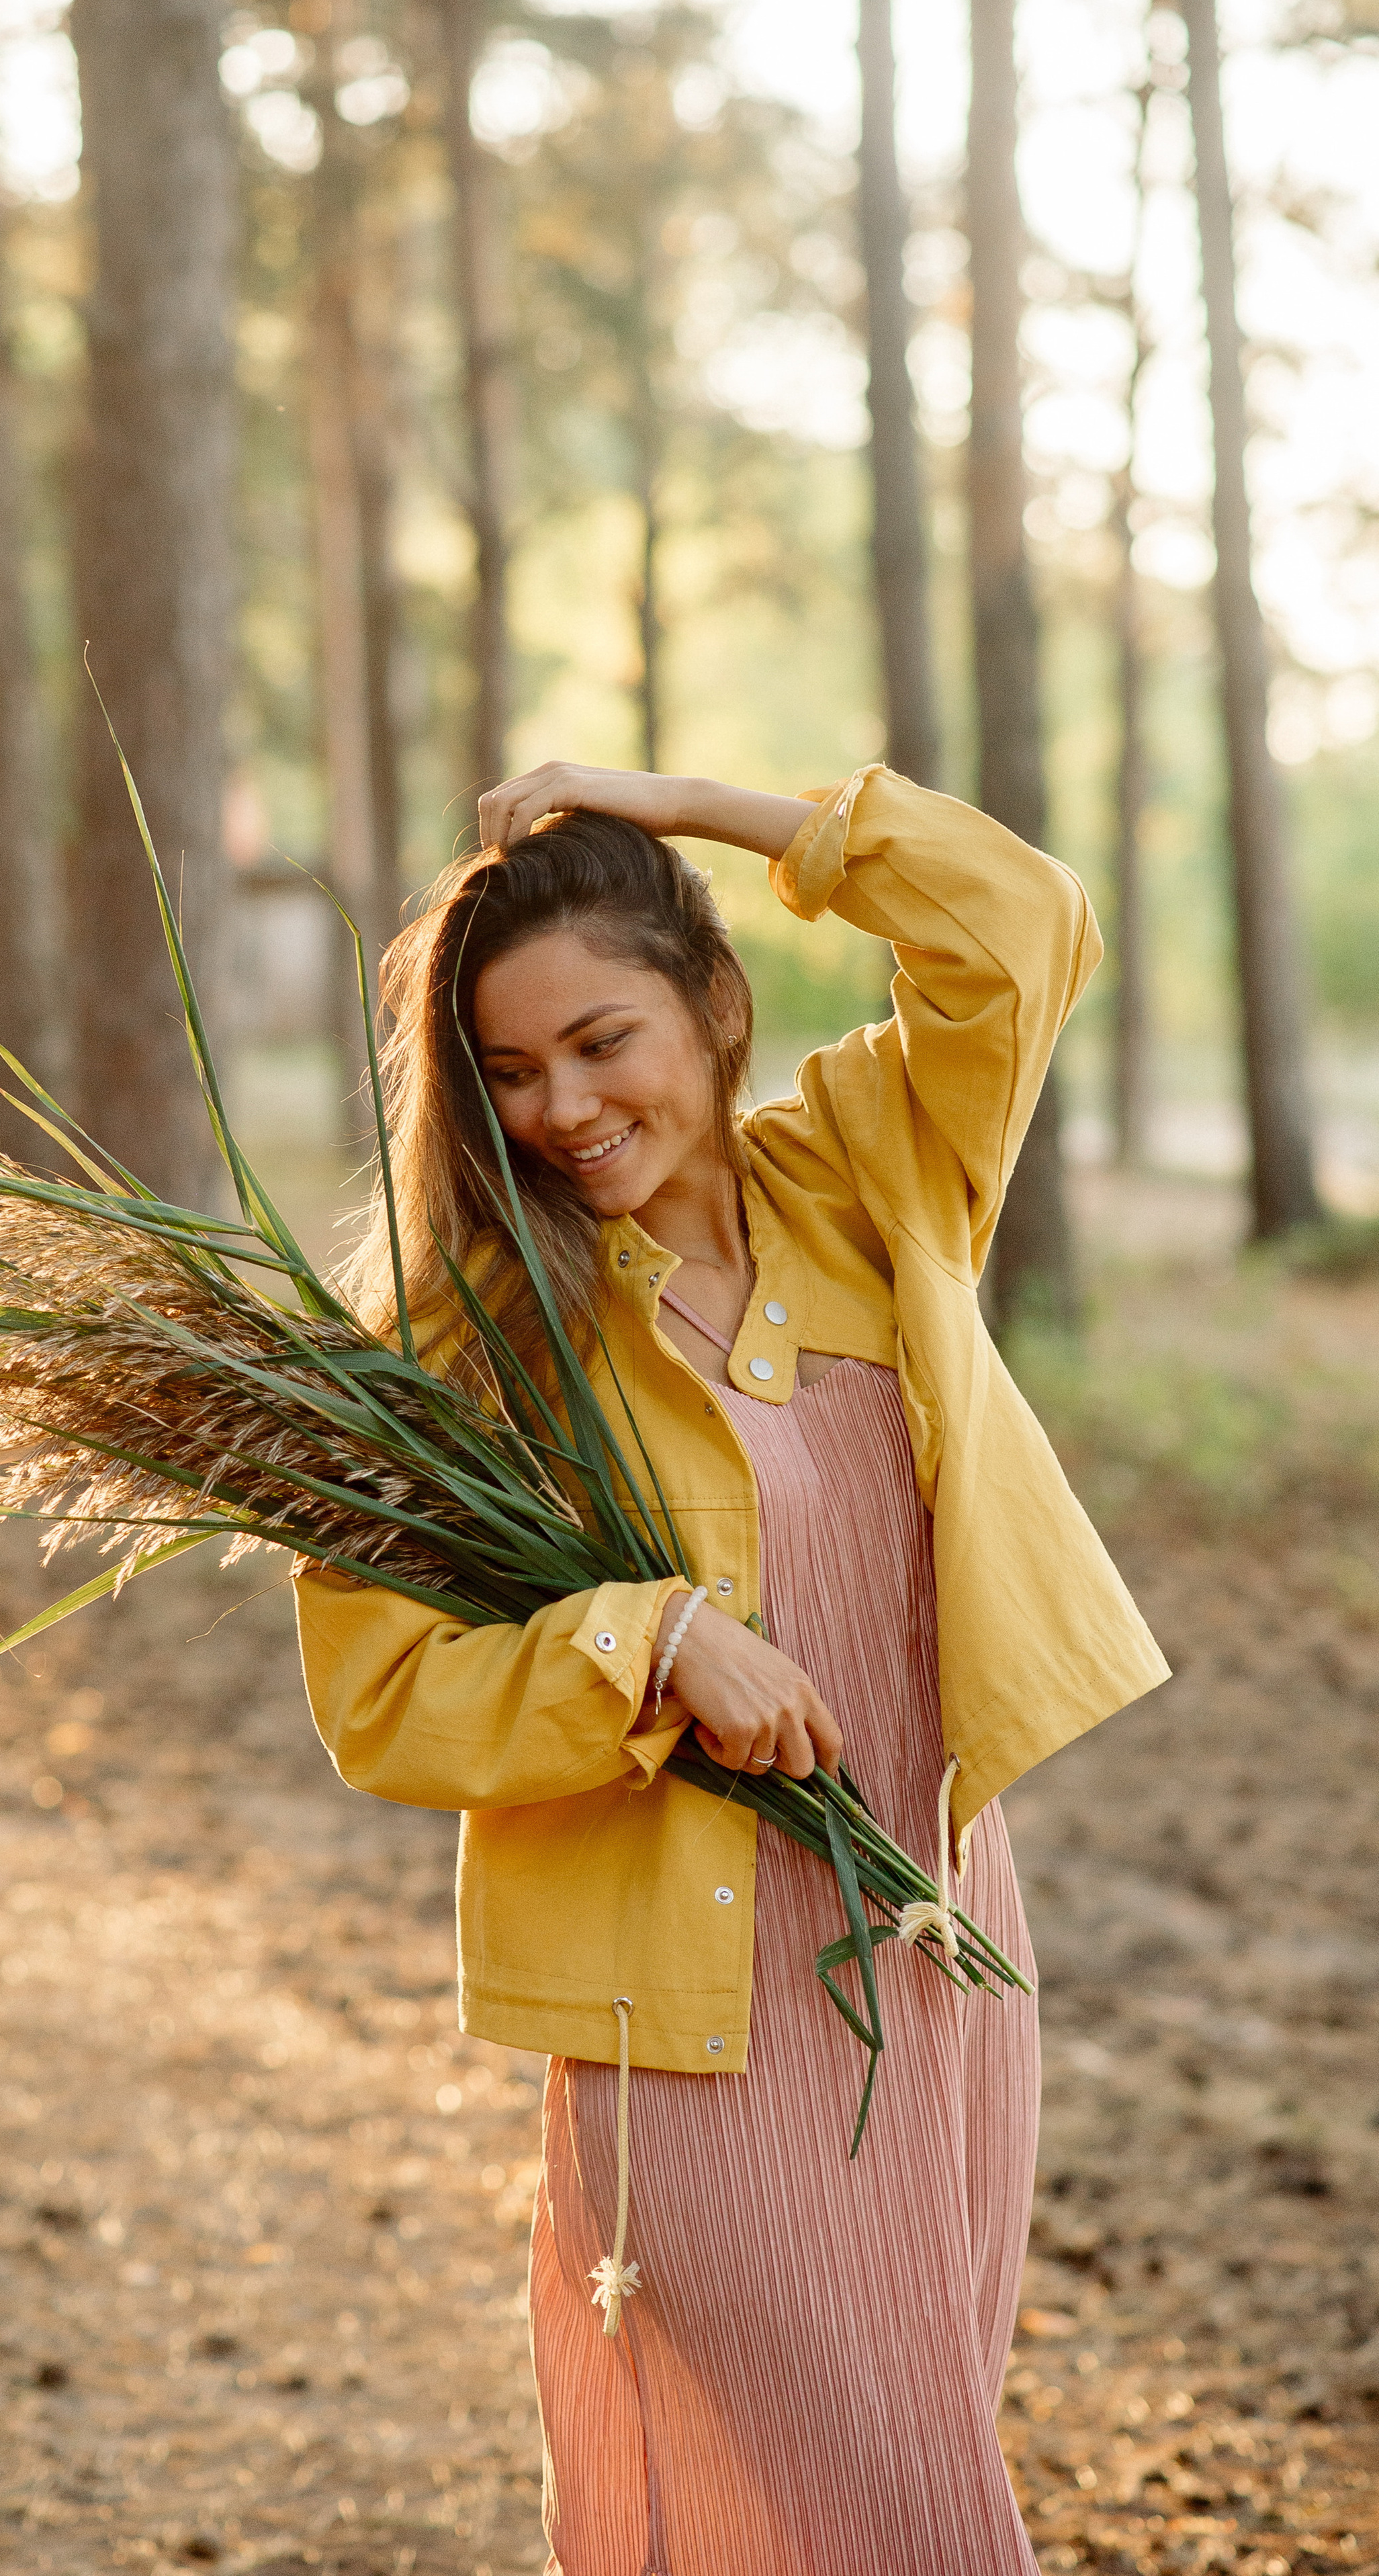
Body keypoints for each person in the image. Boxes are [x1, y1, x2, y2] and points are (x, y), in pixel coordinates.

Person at [294, 760, 1169, 2576]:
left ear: (712, 999)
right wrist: (654, 1638)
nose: (562, 1108)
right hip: (681, 2012)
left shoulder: (872, 1165)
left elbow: (1024, 924)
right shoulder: (475, 1323)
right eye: (511, 1072)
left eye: (602, 1040)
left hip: (933, 1945)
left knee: (895, 2454)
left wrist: (683, 802)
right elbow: (382, 1692)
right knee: (885, 2505)